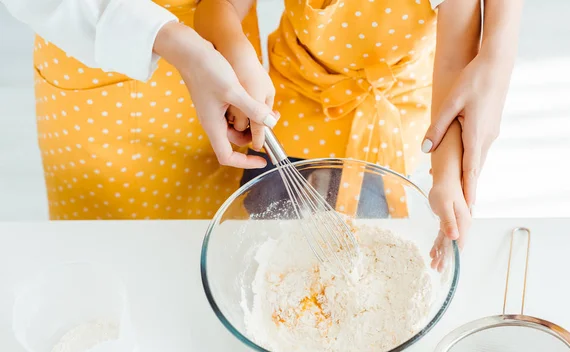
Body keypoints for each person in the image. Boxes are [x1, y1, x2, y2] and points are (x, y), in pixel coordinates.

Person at [197, 0, 522, 247]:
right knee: (265, 232)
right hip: (290, 108)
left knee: (367, 242)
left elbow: (453, 64)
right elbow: (218, 6)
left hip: (390, 118)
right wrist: (238, 57)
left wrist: (447, 178)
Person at [2, 0, 278, 220]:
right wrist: (187, 50)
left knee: (208, 232)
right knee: (98, 242)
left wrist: (229, 33)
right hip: (94, 49)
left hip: (223, 56)